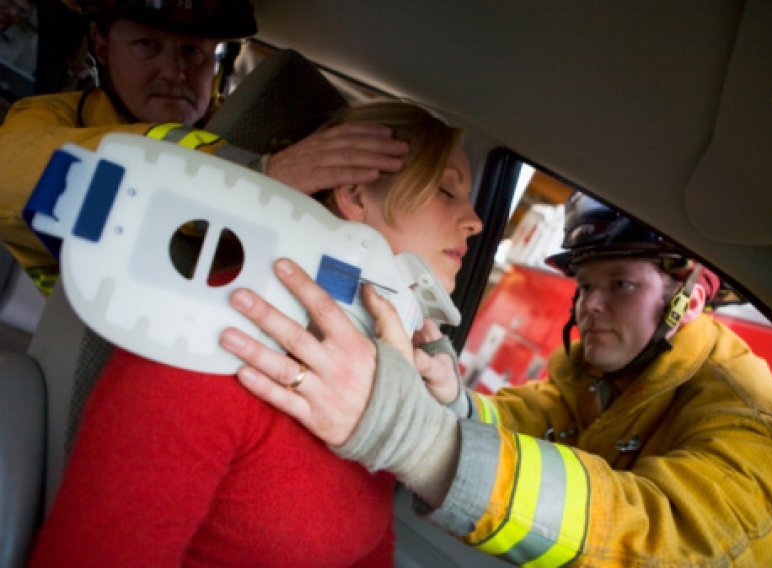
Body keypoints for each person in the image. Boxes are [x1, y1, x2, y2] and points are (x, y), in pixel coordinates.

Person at [221, 192, 772, 565]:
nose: (589, 306)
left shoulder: (752, 426)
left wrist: (420, 439)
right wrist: (453, 404)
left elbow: (661, 535)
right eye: (585, 286)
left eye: (619, 284)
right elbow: (532, 418)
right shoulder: (605, 375)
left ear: (691, 299)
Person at [29, 101, 483, 566]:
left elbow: (371, 550)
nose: (476, 222)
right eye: (447, 192)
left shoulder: (374, 395)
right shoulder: (205, 350)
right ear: (356, 194)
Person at [0, 0, 408, 293]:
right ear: (102, 48)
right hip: (85, 345)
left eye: (193, 51)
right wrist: (252, 180)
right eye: (147, 45)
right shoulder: (48, 118)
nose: (175, 71)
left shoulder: (261, 137)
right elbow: (14, 175)